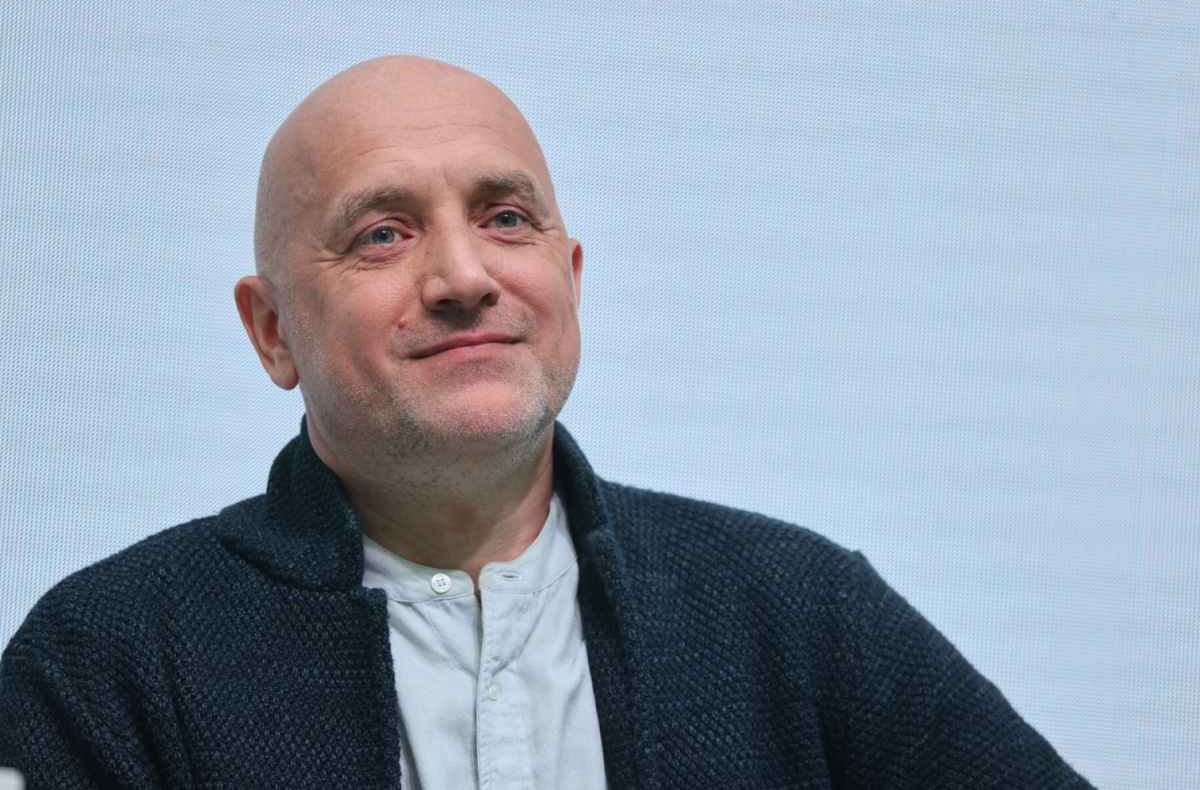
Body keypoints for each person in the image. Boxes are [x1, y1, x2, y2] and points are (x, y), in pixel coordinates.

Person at [0, 56, 1094, 789]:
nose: (464, 276)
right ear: (271, 330)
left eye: (506, 217)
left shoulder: (799, 612)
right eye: (383, 234)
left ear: (569, 278)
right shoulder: (108, 660)